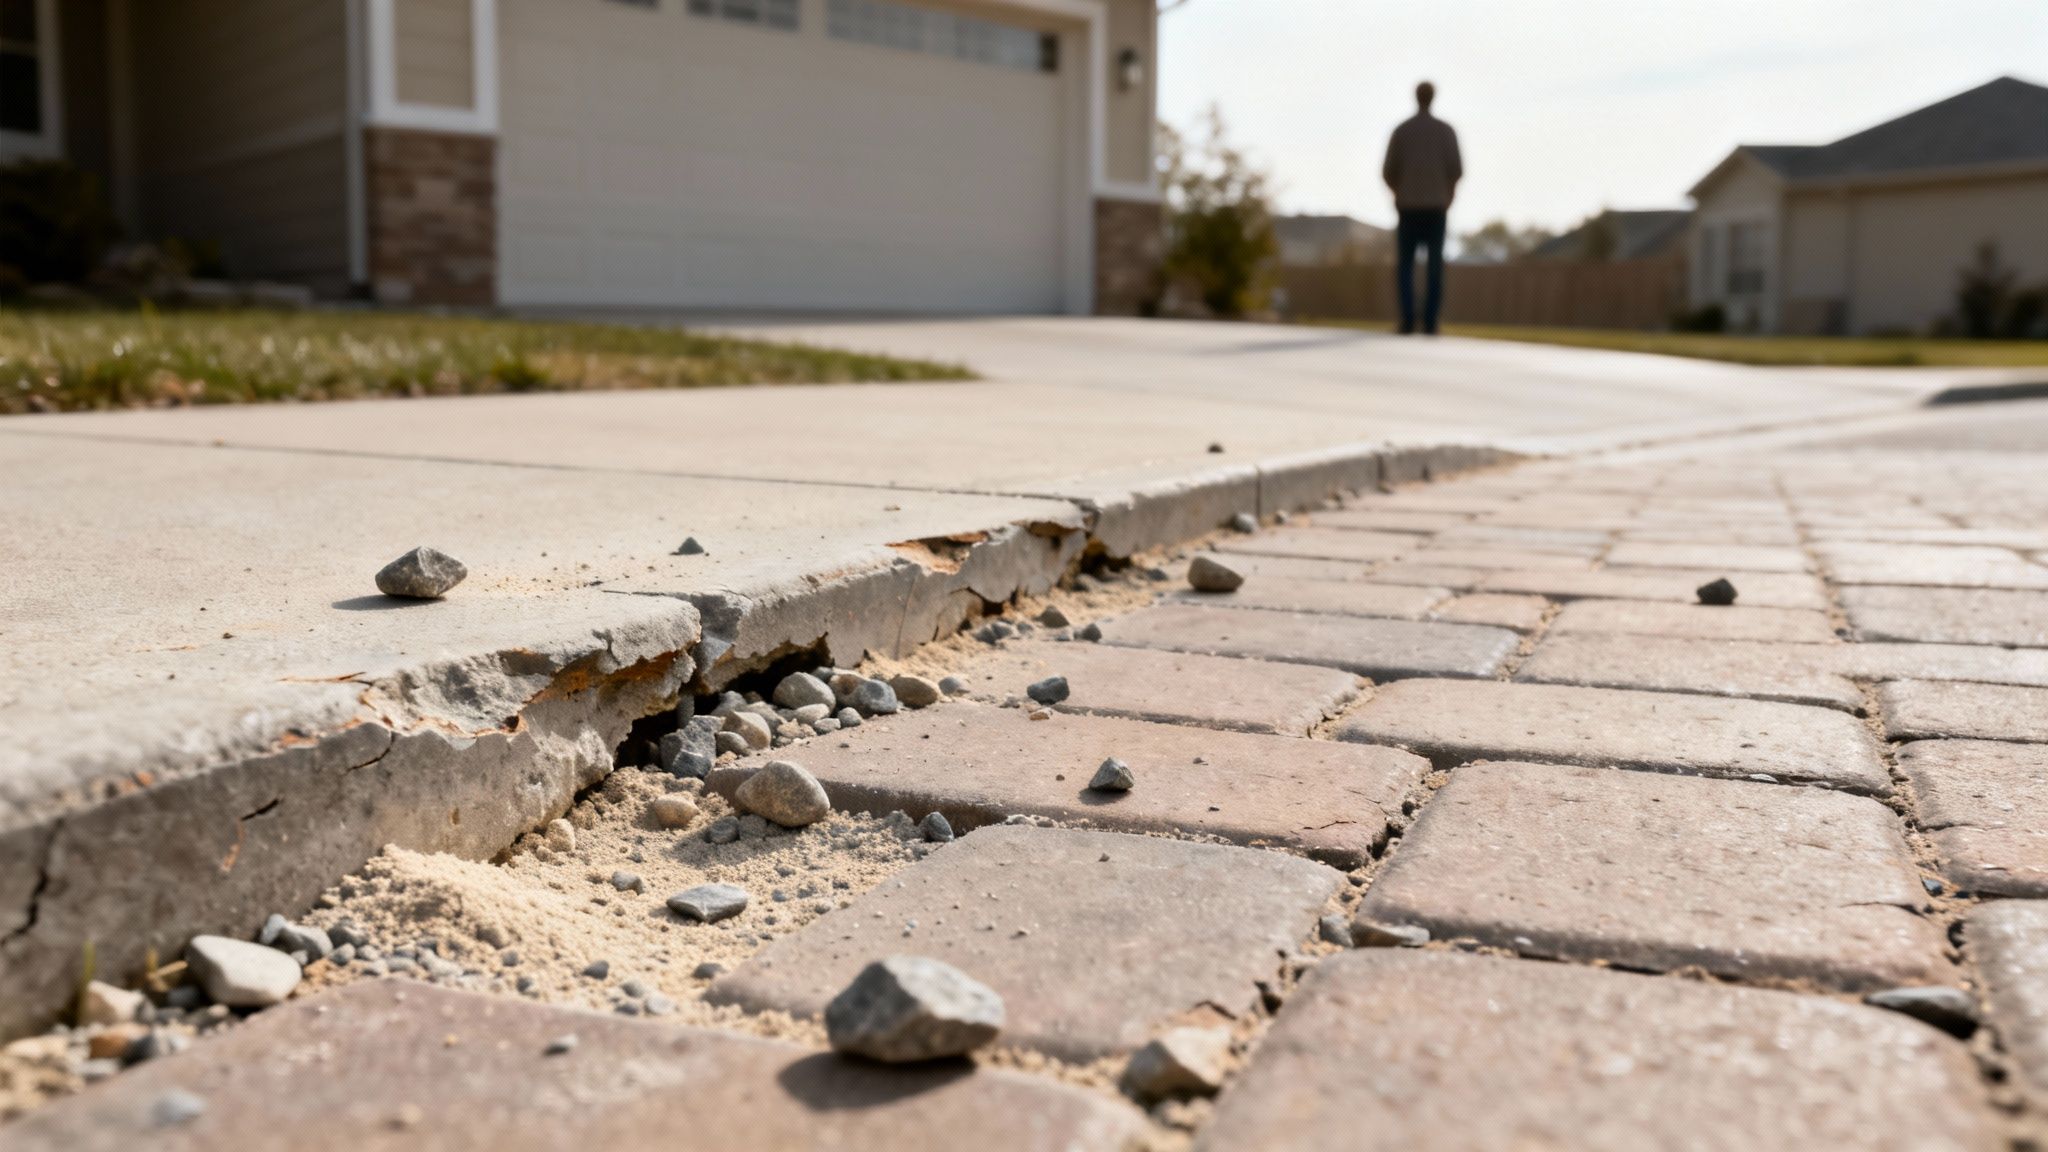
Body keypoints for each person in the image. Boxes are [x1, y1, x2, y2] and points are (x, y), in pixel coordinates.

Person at [1382, 81, 1462, 335]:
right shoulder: (1445, 131)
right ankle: (1430, 322)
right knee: (1434, 267)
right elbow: (1456, 170)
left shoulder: (1403, 131)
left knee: (1406, 266)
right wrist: (1448, 195)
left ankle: (1408, 320)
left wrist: (1398, 193)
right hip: (1435, 207)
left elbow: (1388, 171)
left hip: (1409, 207)